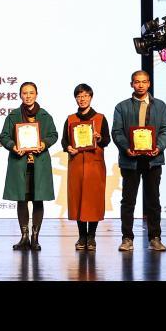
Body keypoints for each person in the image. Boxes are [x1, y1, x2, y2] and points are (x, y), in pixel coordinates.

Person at [110, 70, 166, 252]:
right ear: (132, 84)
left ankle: (155, 237)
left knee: (153, 201)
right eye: (137, 82)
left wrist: (158, 147)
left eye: (144, 82)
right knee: (128, 201)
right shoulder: (122, 107)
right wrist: (126, 148)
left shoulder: (160, 105)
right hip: (130, 160)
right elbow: (117, 132)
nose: (141, 85)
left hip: (153, 159)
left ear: (149, 84)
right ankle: (127, 238)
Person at [0, 81, 59, 251]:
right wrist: (13, 146)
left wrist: (44, 143)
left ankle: (35, 237)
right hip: (20, 164)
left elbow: (54, 135)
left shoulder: (45, 115)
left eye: (31, 93)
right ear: (20, 95)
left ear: (36, 95)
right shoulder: (13, 115)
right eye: (25, 93)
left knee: (38, 199)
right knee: (22, 199)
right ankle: (24, 237)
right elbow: (4, 136)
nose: (28, 96)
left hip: (39, 164)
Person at [62, 84, 110, 251]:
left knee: (93, 200)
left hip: (94, 164)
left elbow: (106, 140)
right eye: (79, 96)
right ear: (75, 98)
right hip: (76, 164)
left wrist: (99, 137)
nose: (82, 99)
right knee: (78, 200)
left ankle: (92, 237)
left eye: (85, 96)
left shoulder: (100, 118)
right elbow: (64, 141)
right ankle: (82, 236)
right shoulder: (70, 119)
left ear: (91, 97)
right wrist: (68, 148)